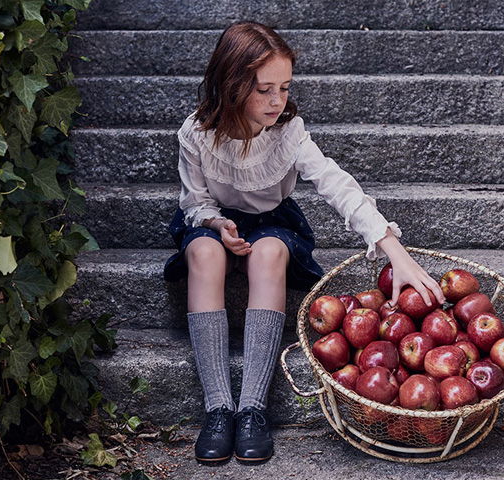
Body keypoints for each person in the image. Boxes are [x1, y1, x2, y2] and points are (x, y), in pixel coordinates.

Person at [163, 21, 445, 463]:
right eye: (263, 89)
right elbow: (195, 202)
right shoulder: (195, 134)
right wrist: (217, 226)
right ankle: (219, 407)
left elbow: (338, 185)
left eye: (285, 87)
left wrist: (393, 249)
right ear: (231, 85)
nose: (277, 100)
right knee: (202, 251)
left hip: (273, 222)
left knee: (271, 251)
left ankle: (253, 407)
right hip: (213, 225)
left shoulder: (289, 133)